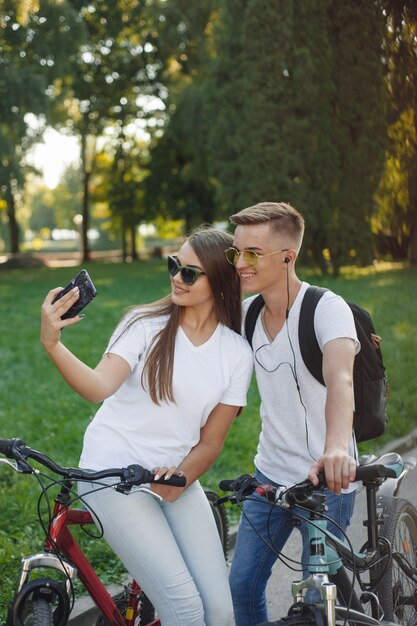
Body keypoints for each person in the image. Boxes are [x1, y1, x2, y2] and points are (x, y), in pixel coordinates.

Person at [40, 226, 253, 626]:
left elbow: (211, 442)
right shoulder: (144, 324)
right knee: (185, 610)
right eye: (175, 265)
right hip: (112, 474)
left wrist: (182, 476)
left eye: (190, 272)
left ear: (221, 282)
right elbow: (98, 387)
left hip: (176, 480)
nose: (176, 277)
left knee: (221, 612)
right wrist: (53, 344)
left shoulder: (237, 353)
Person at [225, 202, 359, 626]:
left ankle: (348, 608)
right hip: (269, 477)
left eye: (253, 254)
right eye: (236, 253)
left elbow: (341, 380)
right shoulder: (247, 315)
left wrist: (337, 447)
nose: (241, 264)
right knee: (240, 589)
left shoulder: (326, 308)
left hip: (327, 480)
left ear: (288, 257)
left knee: (315, 600)